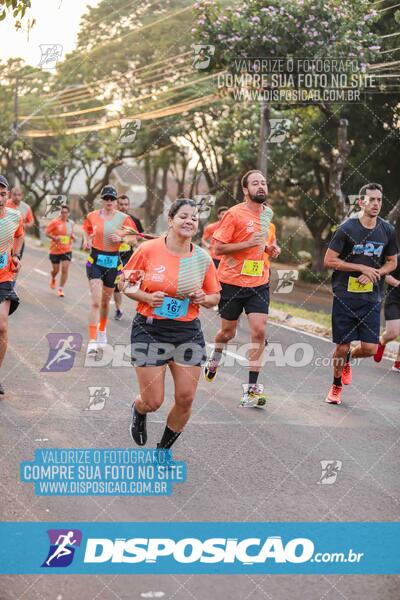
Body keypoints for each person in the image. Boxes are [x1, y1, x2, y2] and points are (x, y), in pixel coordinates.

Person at [120, 198, 220, 449]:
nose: (189, 221)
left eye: (194, 218)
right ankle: (139, 409)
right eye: (183, 216)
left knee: (186, 398)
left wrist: (203, 298)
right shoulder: (149, 250)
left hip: (187, 331)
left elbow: (215, 296)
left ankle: (163, 449)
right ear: (171, 220)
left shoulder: (202, 258)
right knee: (153, 401)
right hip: (150, 328)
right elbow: (124, 284)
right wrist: (146, 297)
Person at [203, 170, 280, 407]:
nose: (261, 186)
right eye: (255, 183)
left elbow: (268, 243)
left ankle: (252, 390)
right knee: (227, 333)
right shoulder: (234, 214)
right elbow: (217, 249)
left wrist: (272, 250)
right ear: (245, 190)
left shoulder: (268, 215)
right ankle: (216, 356)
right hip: (232, 282)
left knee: (259, 331)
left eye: (264, 182)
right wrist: (247, 244)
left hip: (258, 283)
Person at [323, 183, 398, 404]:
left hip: (371, 297)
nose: (376, 204)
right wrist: (360, 268)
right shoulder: (347, 228)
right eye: (371, 199)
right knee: (342, 344)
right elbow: (329, 261)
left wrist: (376, 272)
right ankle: (336, 386)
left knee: (369, 348)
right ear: (361, 202)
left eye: (379, 200)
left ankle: (346, 359)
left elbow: (392, 262)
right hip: (345, 295)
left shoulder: (387, 230)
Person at [82, 185, 138, 355]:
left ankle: (102, 331)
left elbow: (134, 239)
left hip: (114, 263)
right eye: (106, 198)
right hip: (95, 261)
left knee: (106, 303)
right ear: (101, 200)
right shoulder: (92, 216)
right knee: (96, 301)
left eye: (112, 199)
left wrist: (122, 237)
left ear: (115, 201)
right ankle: (92, 340)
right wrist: (86, 241)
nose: (109, 201)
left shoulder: (124, 218)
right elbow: (86, 228)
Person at [0, 175, 24, 395]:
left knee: (2, 326)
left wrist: (15, 255)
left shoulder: (15, 216)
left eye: (2, 193)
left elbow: (19, 236)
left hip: (4, 277)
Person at [113, 194, 141, 320]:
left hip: (128, 256)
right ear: (116, 205)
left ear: (128, 205)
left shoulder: (133, 221)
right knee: (117, 285)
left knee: (131, 285)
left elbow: (136, 240)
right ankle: (118, 309)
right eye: (121, 204)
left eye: (125, 204)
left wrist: (123, 239)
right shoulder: (111, 219)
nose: (123, 207)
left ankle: (140, 311)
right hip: (113, 256)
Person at [373, 250, 400, 372]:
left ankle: (398, 363)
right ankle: (382, 341)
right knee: (393, 333)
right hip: (395, 300)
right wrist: (398, 283)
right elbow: (386, 276)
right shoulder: (397, 259)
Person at [45, 204, 75, 297]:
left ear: (68, 213)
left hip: (67, 250)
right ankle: (53, 277)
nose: (64, 214)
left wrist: (73, 236)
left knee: (65, 269)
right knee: (56, 270)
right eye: (62, 212)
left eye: (65, 212)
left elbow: (70, 233)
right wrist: (55, 237)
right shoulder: (54, 222)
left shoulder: (71, 223)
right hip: (55, 250)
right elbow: (46, 232)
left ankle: (60, 289)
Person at [6, 187, 34, 257]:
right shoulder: (5, 204)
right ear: (10, 195)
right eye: (14, 195)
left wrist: (23, 225)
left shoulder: (26, 207)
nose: (16, 197)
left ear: (22, 196)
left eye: (19, 195)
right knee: (3, 263)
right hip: (5, 238)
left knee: (15, 262)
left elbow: (31, 222)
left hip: (19, 240)